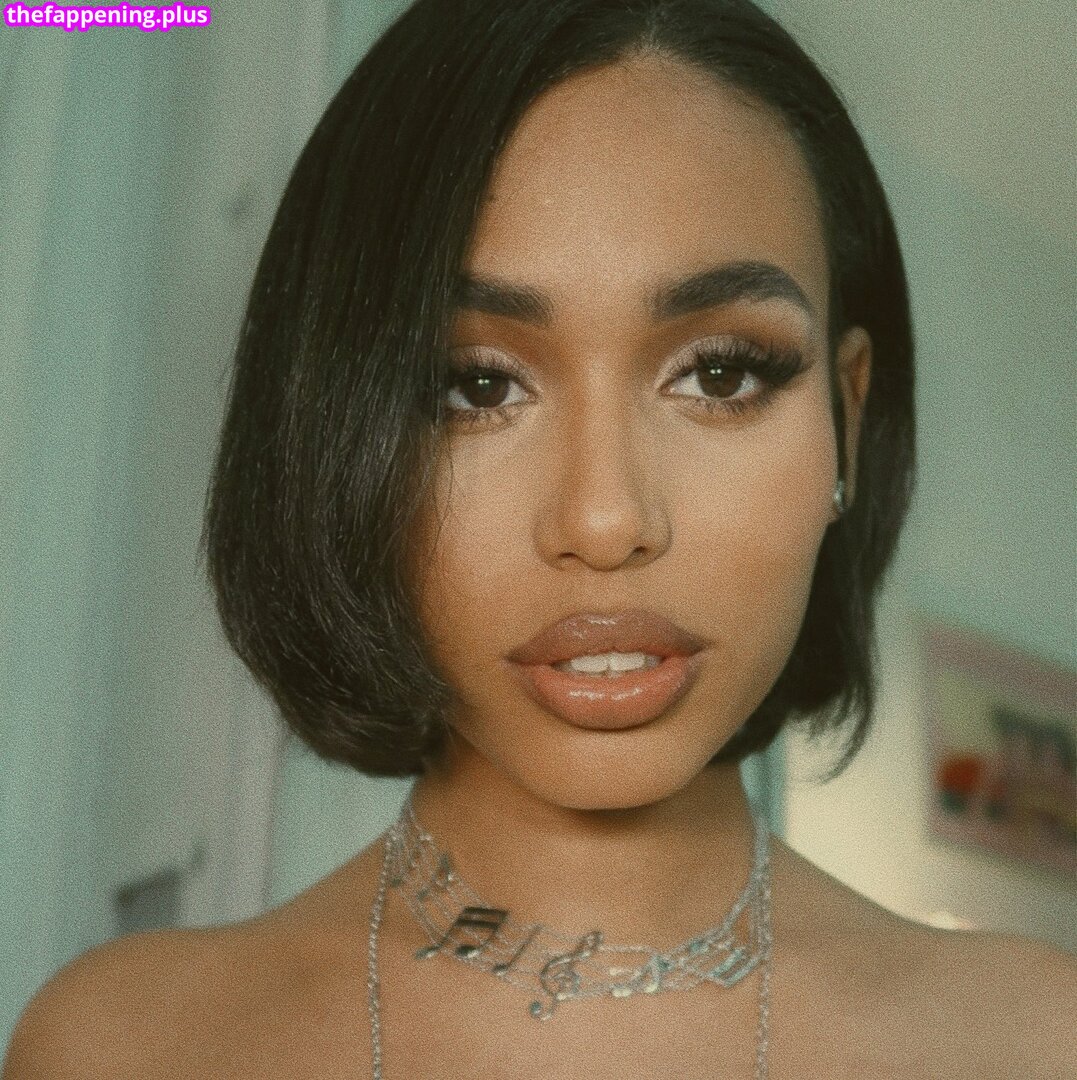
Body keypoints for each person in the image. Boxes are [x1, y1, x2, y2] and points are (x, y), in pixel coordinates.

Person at [4, 1, 1073, 1077]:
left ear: (846, 415)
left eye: (719, 375)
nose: (605, 521)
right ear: (336, 429)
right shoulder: (128, 1047)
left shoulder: (1033, 1039)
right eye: (476, 387)